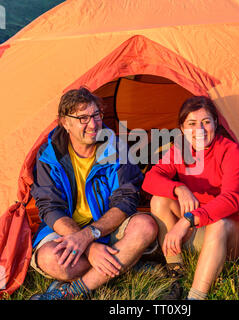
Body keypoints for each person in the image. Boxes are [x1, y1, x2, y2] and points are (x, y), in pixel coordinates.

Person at [29, 87, 158, 300]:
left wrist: (90, 235)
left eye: (96, 115)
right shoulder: (49, 155)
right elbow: (50, 207)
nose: (93, 124)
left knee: (145, 226)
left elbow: (126, 200)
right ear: (64, 122)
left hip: (106, 226)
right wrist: (89, 247)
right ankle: (127, 262)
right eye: (83, 118)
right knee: (51, 260)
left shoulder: (116, 148)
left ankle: (73, 291)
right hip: (66, 229)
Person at [142, 95, 239, 300]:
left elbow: (231, 200)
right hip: (200, 228)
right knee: (159, 200)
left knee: (219, 224)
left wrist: (186, 220)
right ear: (182, 128)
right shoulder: (180, 150)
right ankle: (176, 275)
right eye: (192, 124)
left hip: (235, 234)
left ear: (216, 123)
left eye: (206, 122)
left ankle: (194, 297)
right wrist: (179, 188)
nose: (200, 131)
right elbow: (150, 179)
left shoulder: (232, 151)